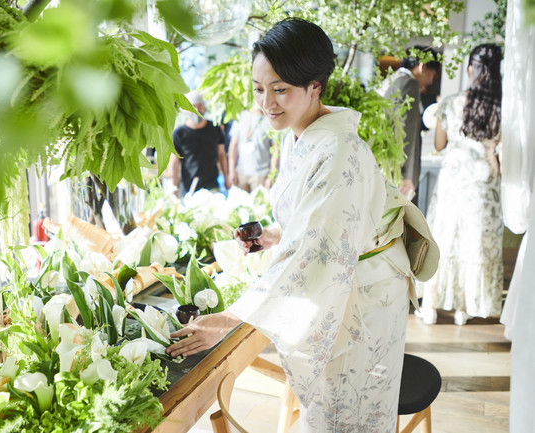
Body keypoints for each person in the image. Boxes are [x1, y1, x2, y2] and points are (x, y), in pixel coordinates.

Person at [167, 18, 438, 432]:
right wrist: (278, 236)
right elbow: (330, 221)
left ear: (315, 85)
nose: (267, 102)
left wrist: (228, 320)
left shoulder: (337, 150)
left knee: (345, 418)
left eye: (280, 89)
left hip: (360, 299)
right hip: (350, 278)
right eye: (259, 89)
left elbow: (315, 254)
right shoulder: (309, 134)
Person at [418, 44, 504, 326]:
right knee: (474, 243)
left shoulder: (452, 103)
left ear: (470, 71)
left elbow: (440, 144)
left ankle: (430, 307)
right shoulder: (500, 109)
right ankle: (463, 310)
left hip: (454, 181)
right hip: (483, 185)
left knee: (446, 238)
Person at [379, 46, 441, 201]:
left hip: (385, 161)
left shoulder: (392, 79)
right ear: (422, 66)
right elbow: (406, 131)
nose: (431, 81)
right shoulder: (409, 84)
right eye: (432, 74)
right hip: (399, 172)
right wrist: (406, 175)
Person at [167, 91, 230, 195]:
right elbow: (174, 162)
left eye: (199, 106)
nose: (196, 111)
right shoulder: (179, 133)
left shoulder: (215, 128)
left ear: (204, 107)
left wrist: (226, 178)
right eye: (192, 107)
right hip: (189, 189)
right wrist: (174, 187)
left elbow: (222, 154)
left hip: (212, 187)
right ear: (186, 110)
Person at [227, 106, 279, 191]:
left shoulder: (270, 119)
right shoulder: (241, 116)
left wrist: (271, 176)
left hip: (261, 175)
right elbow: (233, 146)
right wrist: (231, 170)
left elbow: (276, 149)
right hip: (241, 173)